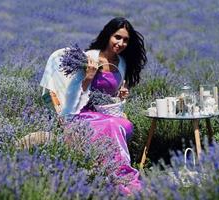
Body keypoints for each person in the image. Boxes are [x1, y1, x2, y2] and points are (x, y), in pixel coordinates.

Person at [40, 17, 147, 195]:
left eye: (125, 40)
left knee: (124, 124)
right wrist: (89, 76)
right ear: (108, 35)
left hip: (104, 113)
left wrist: (120, 94)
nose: (121, 43)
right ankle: (119, 177)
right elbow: (72, 98)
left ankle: (109, 174)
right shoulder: (88, 59)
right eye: (117, 37)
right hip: (80, 114)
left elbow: (107, 97)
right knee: (112, 125)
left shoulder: (121, 63)